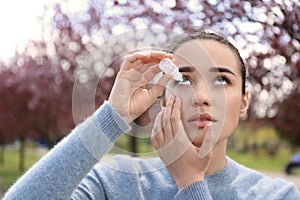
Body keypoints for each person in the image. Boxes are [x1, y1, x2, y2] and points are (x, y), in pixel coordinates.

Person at [3, 32, 300, 200]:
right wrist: (112, 117)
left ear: (245, 101)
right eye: (183, 79)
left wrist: (191, 183)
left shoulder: (277, 195)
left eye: (221, 79)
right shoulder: (114, 182)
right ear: (165, 93)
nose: (202, 97)